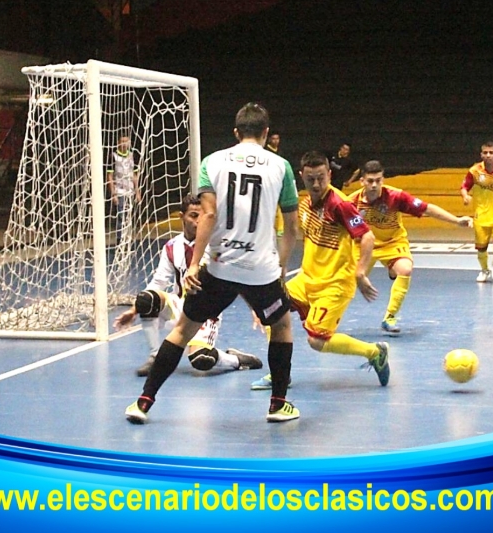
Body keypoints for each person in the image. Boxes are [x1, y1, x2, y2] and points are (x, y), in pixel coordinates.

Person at [125, 102, 300, 424]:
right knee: (282, 327)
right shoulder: (281, 166)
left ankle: (143, 402)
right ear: (265, 133)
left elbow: (208, 213)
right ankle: (278, 405)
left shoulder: (213, 161)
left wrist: (193, 266)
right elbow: (291, 227)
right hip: (261, 270)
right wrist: (281, 267)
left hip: (220, 266)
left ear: (235, 133)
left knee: (182, 330)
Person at [250, 151, 390, 391]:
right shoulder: (304, 204)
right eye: (311, 179)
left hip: (335, 284)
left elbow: (367, 236)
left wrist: (360, 272)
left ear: (330, 174)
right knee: (272, 312)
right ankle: (280, 374)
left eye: (321, 178)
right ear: (302, 175)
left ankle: (374, 352)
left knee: (317, 340)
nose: (316, 184)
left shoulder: (340, 204)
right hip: (307, 279)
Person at [113, 195, 262, 376]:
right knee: (146, 299)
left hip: (207, 310)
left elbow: (237, 278)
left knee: (201, 360)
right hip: (179, 307)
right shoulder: (171, 246)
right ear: (181, 216)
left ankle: (236, 359)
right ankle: (155, 357)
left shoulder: (217, 246)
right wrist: (134, 309)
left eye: (202, 215)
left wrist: (256, 307)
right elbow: (158, 282)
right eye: (193, 215)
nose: (198, 221)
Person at [348, 160, 473, 334]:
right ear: (362, 181)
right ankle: (325, 316)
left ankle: (390, 317)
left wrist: (456, 220)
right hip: (363, 245)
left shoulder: (396, 196)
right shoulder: (351, 202)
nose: (375, 185)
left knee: (405, 269)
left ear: (383, 179)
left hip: (393, 242)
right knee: (347, 284)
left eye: (378, 180)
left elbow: (427, 208)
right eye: (370, 181)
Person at [460, 141, 493, 282]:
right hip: (481, 213)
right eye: (485, 153)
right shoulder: (474, 171)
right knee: (481, 247)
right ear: (481, 155)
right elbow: (464, 186)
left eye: (491, 153)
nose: (488, 155)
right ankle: (484, 270)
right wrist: (465, 195)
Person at [107, 134, 141, 244]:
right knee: (121, 215)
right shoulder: (113, 156)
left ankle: (128, 237)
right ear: (118, 142)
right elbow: (110, 176)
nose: (124, 144)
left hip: (130, 190)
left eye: (126, 141)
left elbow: (135, 175)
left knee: (129, 215)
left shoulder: (132, 155)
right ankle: (119, 239)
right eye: (122, 141)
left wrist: (137, 192)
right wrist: (113, 193)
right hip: (119, 190)